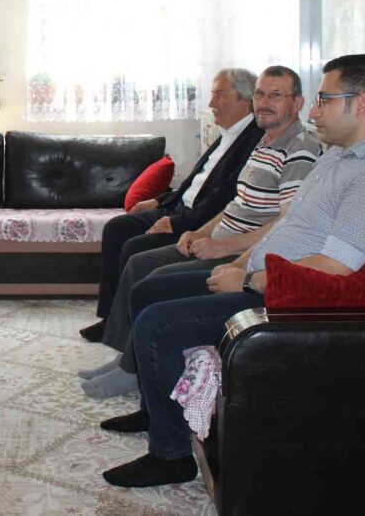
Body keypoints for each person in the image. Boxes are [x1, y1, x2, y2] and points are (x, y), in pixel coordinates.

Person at [100, 54, 365, 488]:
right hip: (260, 276)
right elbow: (285, 224)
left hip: (287, 299)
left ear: (361, 103)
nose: (314, 111)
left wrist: (249, 280)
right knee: (148, 291)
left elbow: (335, 268)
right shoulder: (339, 157)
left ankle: (171, 455)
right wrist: (238, 261)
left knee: (158, 321)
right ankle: (159, 412)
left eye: (324, 100)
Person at [79, 66, 323, 398]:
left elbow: (287, 222)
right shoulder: (264, 142)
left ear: (298, 103)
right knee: (140, 263)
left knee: (151, 276)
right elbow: (235, 203)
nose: (265, 102)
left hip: (241, 253)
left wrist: (224, 248)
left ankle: (132, 370)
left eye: (276, 95)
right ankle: (128, 362)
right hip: (218, 239)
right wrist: (201, 232)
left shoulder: (301, 149)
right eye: (261, 94)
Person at [81, 68, 264, 343]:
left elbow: (223, 197)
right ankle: (110, 318)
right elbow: (196, 183)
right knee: (117, 228)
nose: (211, 103)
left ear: (245, 100)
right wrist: (159, 200)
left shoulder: (252, 139)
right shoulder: (227, 134)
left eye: (219, 95)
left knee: (134, 246)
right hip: (177, 208)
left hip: (195, 220)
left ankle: (123, 326)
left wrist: (178, 223)